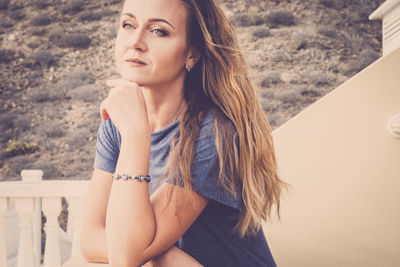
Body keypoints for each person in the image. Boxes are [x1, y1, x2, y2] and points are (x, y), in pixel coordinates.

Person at [80, 0, 287, 266]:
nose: (136, 42)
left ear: (192, 54)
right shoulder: (116, 122)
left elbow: (126, 256)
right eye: (128, 25)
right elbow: (90, 239)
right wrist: (166, 256)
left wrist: (135, 135)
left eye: (159, 31)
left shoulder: (215, 132)